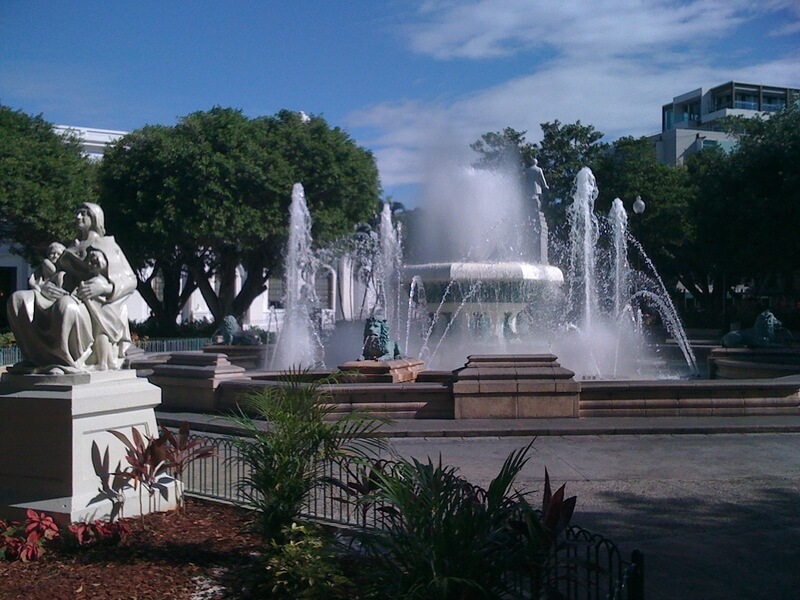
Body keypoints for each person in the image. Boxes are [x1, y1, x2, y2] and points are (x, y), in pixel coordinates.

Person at [7, 203, 137, 373]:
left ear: (95, 218)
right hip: (60, 294)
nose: (78, 217)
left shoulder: (107, 245)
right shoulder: (70, 247)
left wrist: (105, 287)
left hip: (92, 305)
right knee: (18, 300)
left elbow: (131, 280)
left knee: (66, 306)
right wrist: (46, 287)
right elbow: (58, 276)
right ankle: (35, 358)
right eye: (77, 213)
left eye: (84, 214)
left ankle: (64, 362)